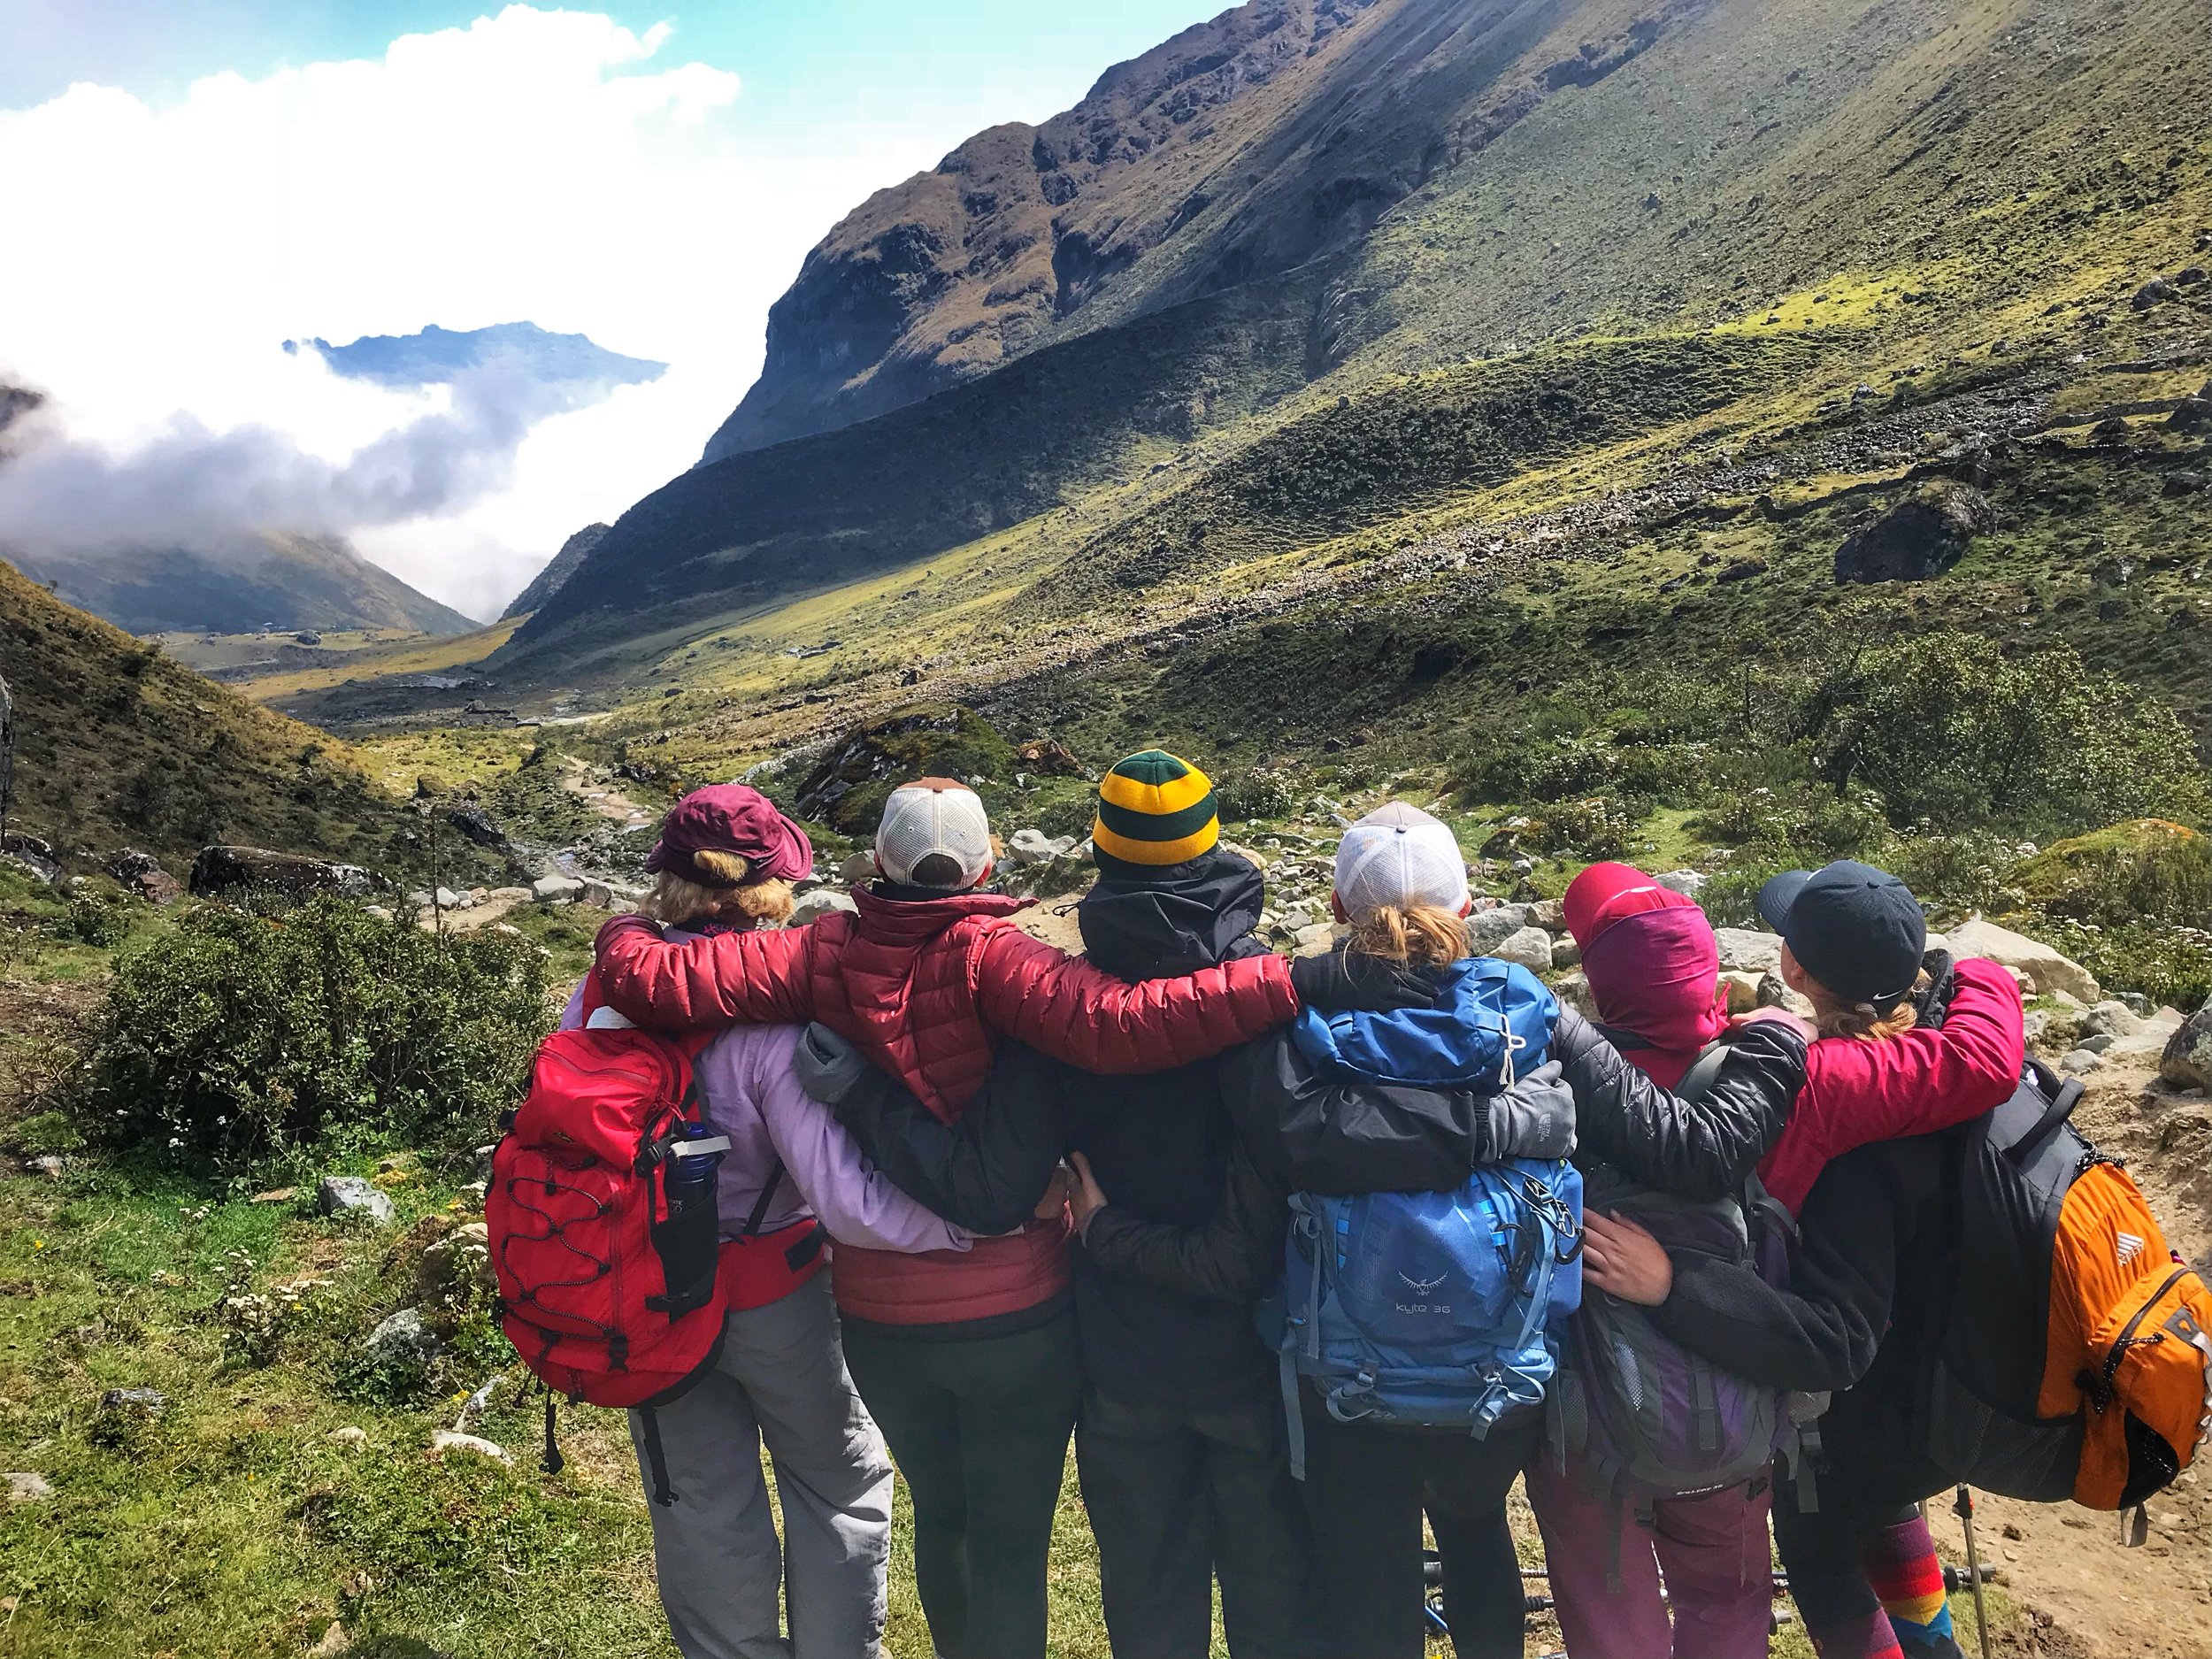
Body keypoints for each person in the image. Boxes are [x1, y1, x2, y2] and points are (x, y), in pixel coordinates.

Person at [802, 753, 1581, 1657]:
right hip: (1262, 1357)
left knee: (1148, 1591)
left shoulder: (1055, 1006)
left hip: (1122, 1358)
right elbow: (1319, 1148)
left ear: (1099, 850)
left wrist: (861, 1092)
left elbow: (995, 1188)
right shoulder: (1271, 995)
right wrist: (1507, 1122)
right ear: (1214, 841)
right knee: (1272, 1596)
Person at [586, 776, 1311, 1659]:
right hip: (1017, 1304)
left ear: (876, 864)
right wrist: (1299, 977)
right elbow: (1123, 1023)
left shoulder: (820, 954)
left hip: (879, 1316)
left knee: (942, 1520)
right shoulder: (999, 957)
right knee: (1008, 1543)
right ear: (989, 861)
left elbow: (653, 974)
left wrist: (626, 925)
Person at [1212, 806, 1815, 1659]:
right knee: (1477, 1536)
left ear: (1343, 910)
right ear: (1465, 909)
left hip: (1344, 1362)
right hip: (1497, 1368)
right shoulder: (1526, 1009)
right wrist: (1777, 1048)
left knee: (1367, 1566)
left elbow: (1278, 1141)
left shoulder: (1294, 1016)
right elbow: (1687, 1151)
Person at [1578, 861, 2026, 1659]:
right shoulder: (1916, 1061)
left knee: (1819, 1548)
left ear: (1790, 966)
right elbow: (1986, 1057)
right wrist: (1979, 969)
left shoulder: (1814, 1076)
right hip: (1928, 1355)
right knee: (1885, 1508)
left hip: (1820, 1354)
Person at [562, 785, 971, 1659]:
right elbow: (847, 1203)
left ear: (670, 878)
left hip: (639, 1296)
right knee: (838, 1487)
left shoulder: (598, 995)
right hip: (775, 1296)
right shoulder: (774, 1021)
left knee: (701, 1504)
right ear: (774, 885)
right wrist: (973, 1225)